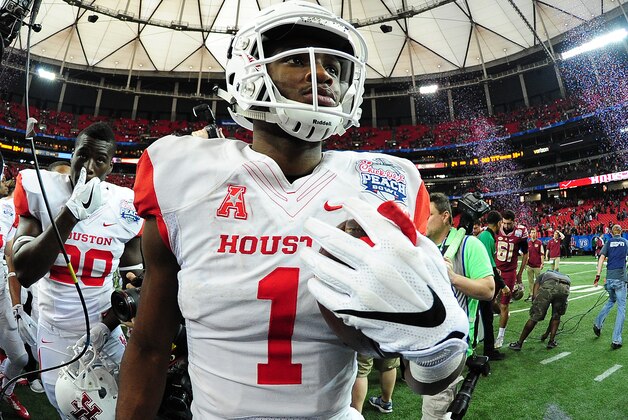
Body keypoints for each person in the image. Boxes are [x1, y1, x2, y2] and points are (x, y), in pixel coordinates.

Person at [117, 2, 469, 419]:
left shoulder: (383, 184)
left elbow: (422, 379)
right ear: (249, 71)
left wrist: (436, 350)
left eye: (335, 69)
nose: (322, 74)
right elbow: (149, 347)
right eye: (298, 59)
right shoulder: (185, 174)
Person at [12, 122, 144, 417]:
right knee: (70, 411)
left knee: (119, 407)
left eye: (99, 159)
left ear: (111, 164)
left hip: (104, 331)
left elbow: (136, 280)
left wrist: (107, 325)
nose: (89, 166)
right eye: (82, 155)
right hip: (54, 332)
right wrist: (70, 213)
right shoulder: (41, 190)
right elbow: (25, 271)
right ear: (72, 155)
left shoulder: (124, 204)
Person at [422, 193, 494, 420]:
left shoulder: (468, 244)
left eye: (428, 214)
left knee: (433, 414)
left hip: (451, 347)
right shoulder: (423, 247)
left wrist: (452, 277)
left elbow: (488, 289)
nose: (422, 219)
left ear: (445, 217)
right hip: (424, 346)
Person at [0, 164, 31, 419]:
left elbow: (9, 254)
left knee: (19, 357)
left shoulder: (8, 211)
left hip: (1, 292)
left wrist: (15, 300)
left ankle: (5, 388)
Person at [508, 270, 571, 351]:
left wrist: (535, 302)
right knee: (556, 316)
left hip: (549, 285)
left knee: (534, 317)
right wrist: (546, 335)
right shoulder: (564, 275)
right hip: (565, 286)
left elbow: (536, 289)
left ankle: (519, 343)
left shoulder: (543, 275)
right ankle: (551, 341)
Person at [477, 210, 509, 361]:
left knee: (481, 317)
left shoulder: (484, 235)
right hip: (481, 283)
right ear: (498, 223)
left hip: (477, 281)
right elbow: (490, 266)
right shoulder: (488, 237)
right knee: (487, 317)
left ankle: (478, 348)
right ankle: (489, 351)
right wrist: (503, 285)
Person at [494, 209, 528, 348]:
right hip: (495, 270)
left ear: (515, 221)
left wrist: (520, 274)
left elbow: (525, 254)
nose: (506, 226)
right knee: (489, 301)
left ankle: (500, 336)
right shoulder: (496, 229)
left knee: (504, 305)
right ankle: (504, 315)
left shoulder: (520, 232)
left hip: (509, 272)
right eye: (504, 223)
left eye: (509, 223)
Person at [593, 224, 628, 350]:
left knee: (611, 300)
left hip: (609, 280)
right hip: (620, 279)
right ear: (621, 232)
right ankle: (616, 340)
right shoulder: (625, 242)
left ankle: (597, 323)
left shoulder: (608, 242)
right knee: (621, 308)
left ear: (612, 233)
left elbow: (601, 258)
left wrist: (598, 275)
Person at [525, 227, 544, 302]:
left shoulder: (539, 242)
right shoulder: (528, 243)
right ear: (530, 234)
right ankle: (531, 294)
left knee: (538, 281)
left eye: (534, 232)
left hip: (537, 265)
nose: (533, 234)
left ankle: (538, 294)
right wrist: (525, 264)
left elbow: (542, 253)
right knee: (530, 281)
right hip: (529, 265)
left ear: (536, 233)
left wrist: (542, 263)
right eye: (532, 232)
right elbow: (526, 254)